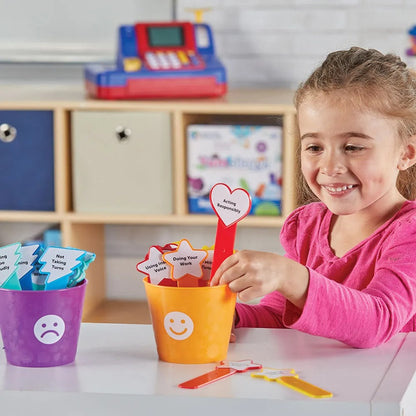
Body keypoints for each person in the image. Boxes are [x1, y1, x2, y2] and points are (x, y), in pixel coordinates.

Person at [210, 47, 416, 348]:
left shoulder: (409, 232)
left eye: (353, 147)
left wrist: (288, 275)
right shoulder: (305, 226)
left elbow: (378, 319)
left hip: (391, 391)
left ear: (406, 153)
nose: (330, 167)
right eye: (315, 148)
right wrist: (230, 315)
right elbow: (282, 316)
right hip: (321, 389)